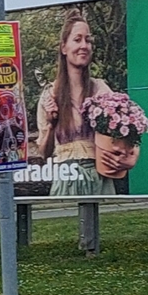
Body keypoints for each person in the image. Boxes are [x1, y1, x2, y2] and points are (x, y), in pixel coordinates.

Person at [34, 15, 111, 196]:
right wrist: (52, 123)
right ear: (63, 48)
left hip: (99, 179)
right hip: (66, 179)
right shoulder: (50, 93)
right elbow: (44, 153)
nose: (84, 45)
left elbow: (121, 136)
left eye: (88, 40)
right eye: (77, 40)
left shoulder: (101, 88)